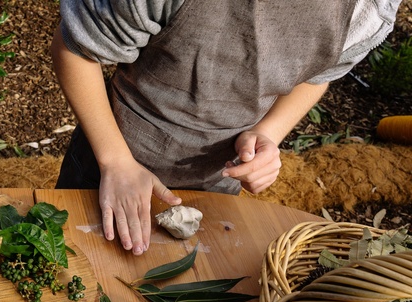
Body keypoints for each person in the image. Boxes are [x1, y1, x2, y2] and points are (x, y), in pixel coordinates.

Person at [51, 0, 402, 255]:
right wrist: (116, 161)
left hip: (219, 180)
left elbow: (319, 74)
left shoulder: (368, 8)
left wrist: (269, 133)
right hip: (110, 160)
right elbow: (76, 49)